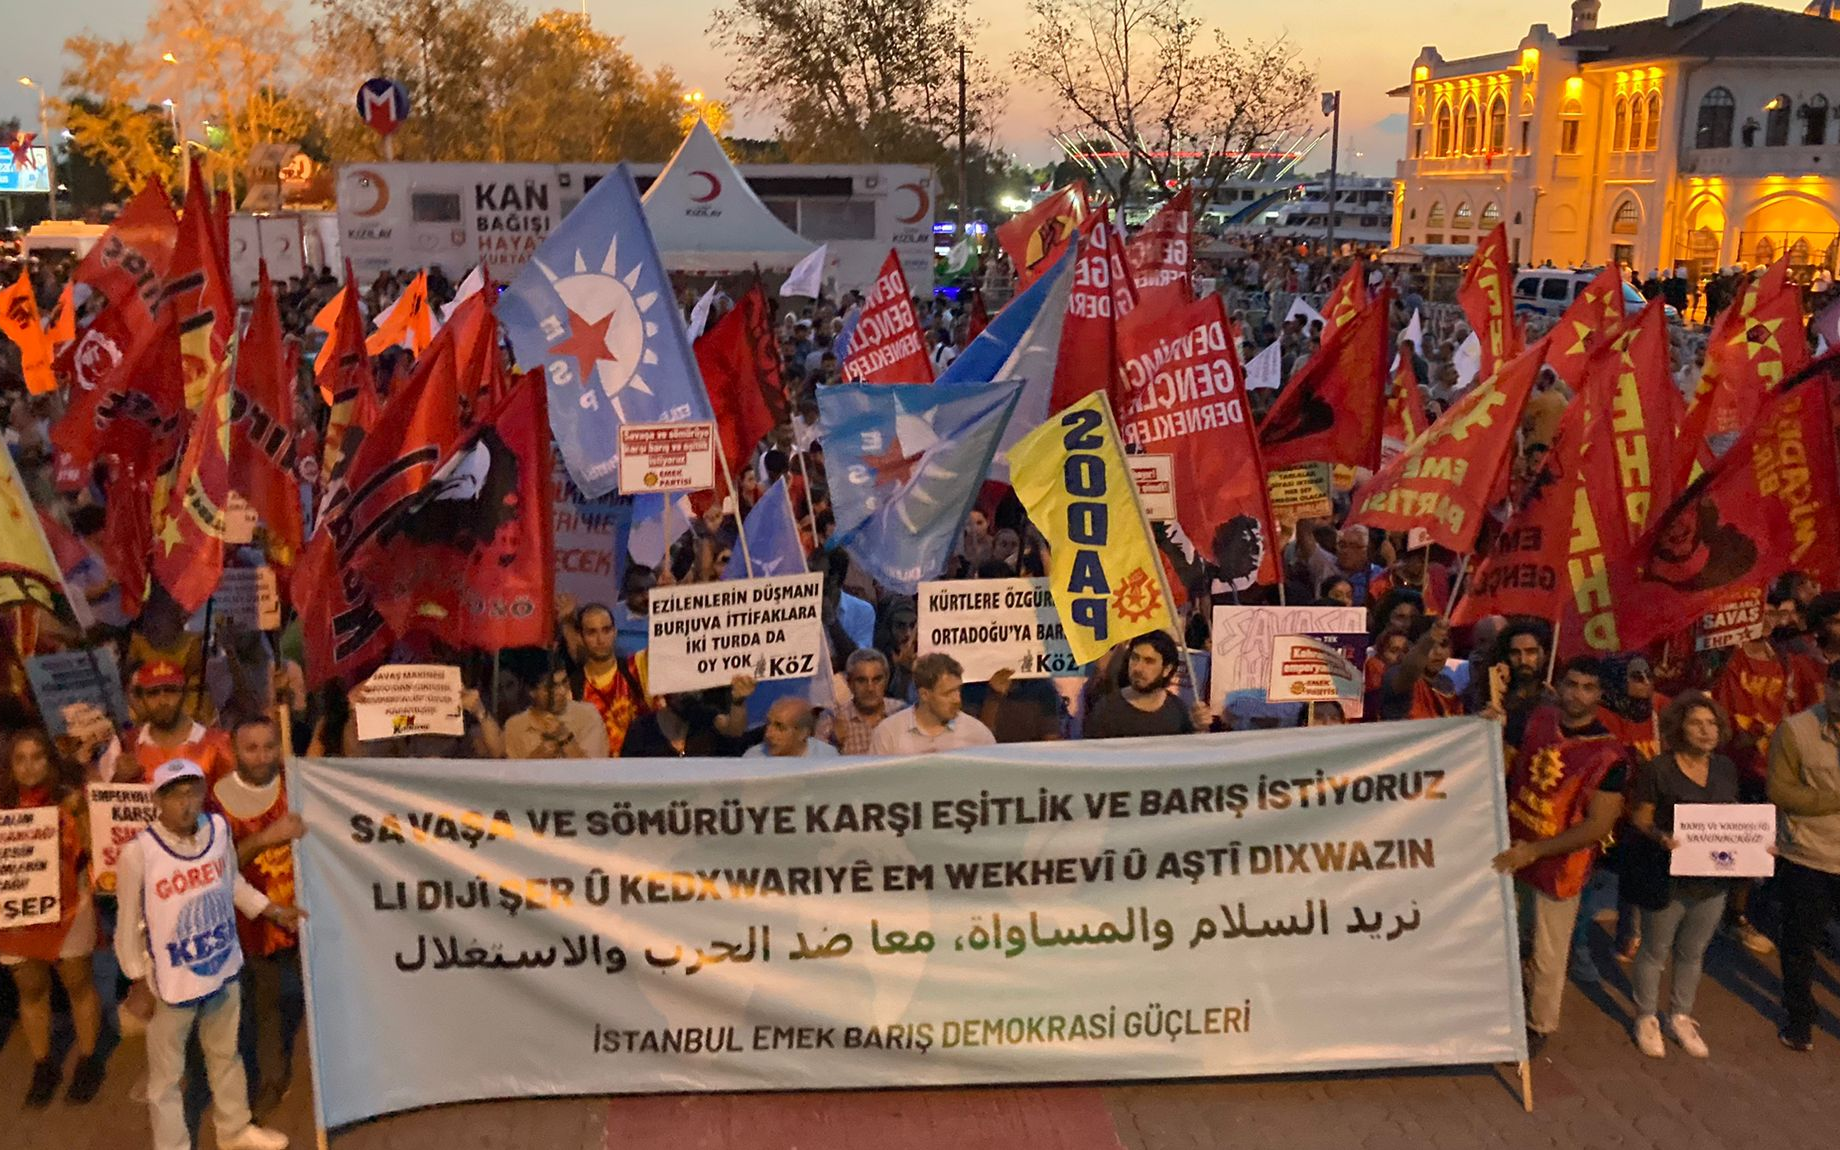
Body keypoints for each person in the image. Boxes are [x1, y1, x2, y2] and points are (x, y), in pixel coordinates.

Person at [117, 758, 301, 1150]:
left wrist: (274, 911)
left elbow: (231, 882)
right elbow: (128, 923)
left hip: (222, 968)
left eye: (192, 792)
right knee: (166, 1079)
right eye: (175, 795)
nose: (185, 804)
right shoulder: (139, 853)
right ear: (158, 801)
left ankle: (234, 1131)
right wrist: (137, 979)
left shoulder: (217, 830)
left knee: (226, 1055)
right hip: (169, 982)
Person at [1493, 657, 1631, 1049]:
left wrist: (1536, 851)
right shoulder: (1534, 720)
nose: (1578, 694)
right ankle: (1504, 1009)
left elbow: (1597, 827)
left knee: (1548, 953)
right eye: (1572, 684)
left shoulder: (1610, 756)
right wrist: (1491, 729)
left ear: (1601, 695)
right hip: (1511, 847)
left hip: (1558, 864)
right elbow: (1501, 764)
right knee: (1508, 938)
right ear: (1558, 685)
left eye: (1588, 687)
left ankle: (1538, 1027)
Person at [1623, 693, 1740, 1059]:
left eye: (1712, 723)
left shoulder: (1725, 768)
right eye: (1696, 723)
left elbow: (1732, 814)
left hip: (1713, 879)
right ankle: (1645, 1016)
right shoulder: (1659, 769)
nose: (1706, 731)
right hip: (1667, 876)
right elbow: (1639, 817)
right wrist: (1661, 837)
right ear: (1678, 728)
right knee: (1656, 950)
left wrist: (1754, 842)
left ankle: (1680, 1015)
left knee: (1692, 952)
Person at [1, 728, 106, 1106]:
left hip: (68, 909)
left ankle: (90, 1058)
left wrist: (83, 815)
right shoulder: (2, 808)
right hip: (16, 915)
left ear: (50, 761)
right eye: (20, 759)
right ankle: (44, 1064)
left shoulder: (71, 801)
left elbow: (96, 852)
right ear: (10, 767)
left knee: (78, 983)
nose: (30, 767)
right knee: (30, 989)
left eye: (38, 757)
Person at [210, 714, 307, 1115]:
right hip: (254, 917)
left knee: (320, 990)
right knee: (265, 1001)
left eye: (270, 746)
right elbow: (217, 863)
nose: (262, 756)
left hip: (305, 908)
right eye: (251, 747)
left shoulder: (296, 782)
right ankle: (272, 1075)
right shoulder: (215, 799)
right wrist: (267, 837)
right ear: (234, 751)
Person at [1768, 658, 1840, 1053]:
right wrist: (1833, 800)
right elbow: (1780, 791)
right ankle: (1799, 1016)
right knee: (1799, 945)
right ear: (1829, 686)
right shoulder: (1796, 730)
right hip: (1808, 856)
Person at [100, 659, 236, 783]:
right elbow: (102, 803)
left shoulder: (219, 744)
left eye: (171, 691)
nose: (163, 700)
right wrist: (120, 778)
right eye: (153, 693)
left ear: (184, 693)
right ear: (141, 698)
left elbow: (233, 803)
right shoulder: (123, 744)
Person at [1083, 631, 1210, 739]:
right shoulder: (1105, 710)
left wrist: (1201, 729)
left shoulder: (1180, 712)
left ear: (1167, 669)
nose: (1138, 668)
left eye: (1149, 661)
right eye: (1134, 658)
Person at [868, 653, 996, 754]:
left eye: (958, 690)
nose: (957, 699)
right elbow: (875, 783)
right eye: (948, 693)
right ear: (924, 694)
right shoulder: (889, 733)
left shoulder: (978, 734)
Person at [571, 603, 655, 756]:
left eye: (606, 630)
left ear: (615, 632)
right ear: (580, 637)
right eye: (591, 632)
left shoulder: (636, 666)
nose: (600, 639)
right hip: (595, 775)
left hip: (639, 771)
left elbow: (668, 641)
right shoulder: (572, 688)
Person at [620, 675, 756, 758]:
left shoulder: (705, 719)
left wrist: (738, 701)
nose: (685, 693)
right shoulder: (641, 730)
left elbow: (733, 730)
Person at [505, 661, 611, 759]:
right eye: (551, 687)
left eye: (564, 682)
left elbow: (595, 772)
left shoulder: (588, 715)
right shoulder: (515, 726)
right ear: (531, 691)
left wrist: (565, 737)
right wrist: (535, 759)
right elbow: (509, 776)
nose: (562, 691)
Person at [819, 649, 905, 754]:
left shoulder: (901, 712)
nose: (870, 688)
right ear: (849, 683)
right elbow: (817, 765)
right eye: (861, 681)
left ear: (886, 680)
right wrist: (833, 744)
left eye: (877, 680)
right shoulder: (832, 721)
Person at [744, 697, 838, 758]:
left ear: (803, 734)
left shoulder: (827, 757)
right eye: (768, 724)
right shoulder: (753, 758)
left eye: (780, 728)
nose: (768, 734)